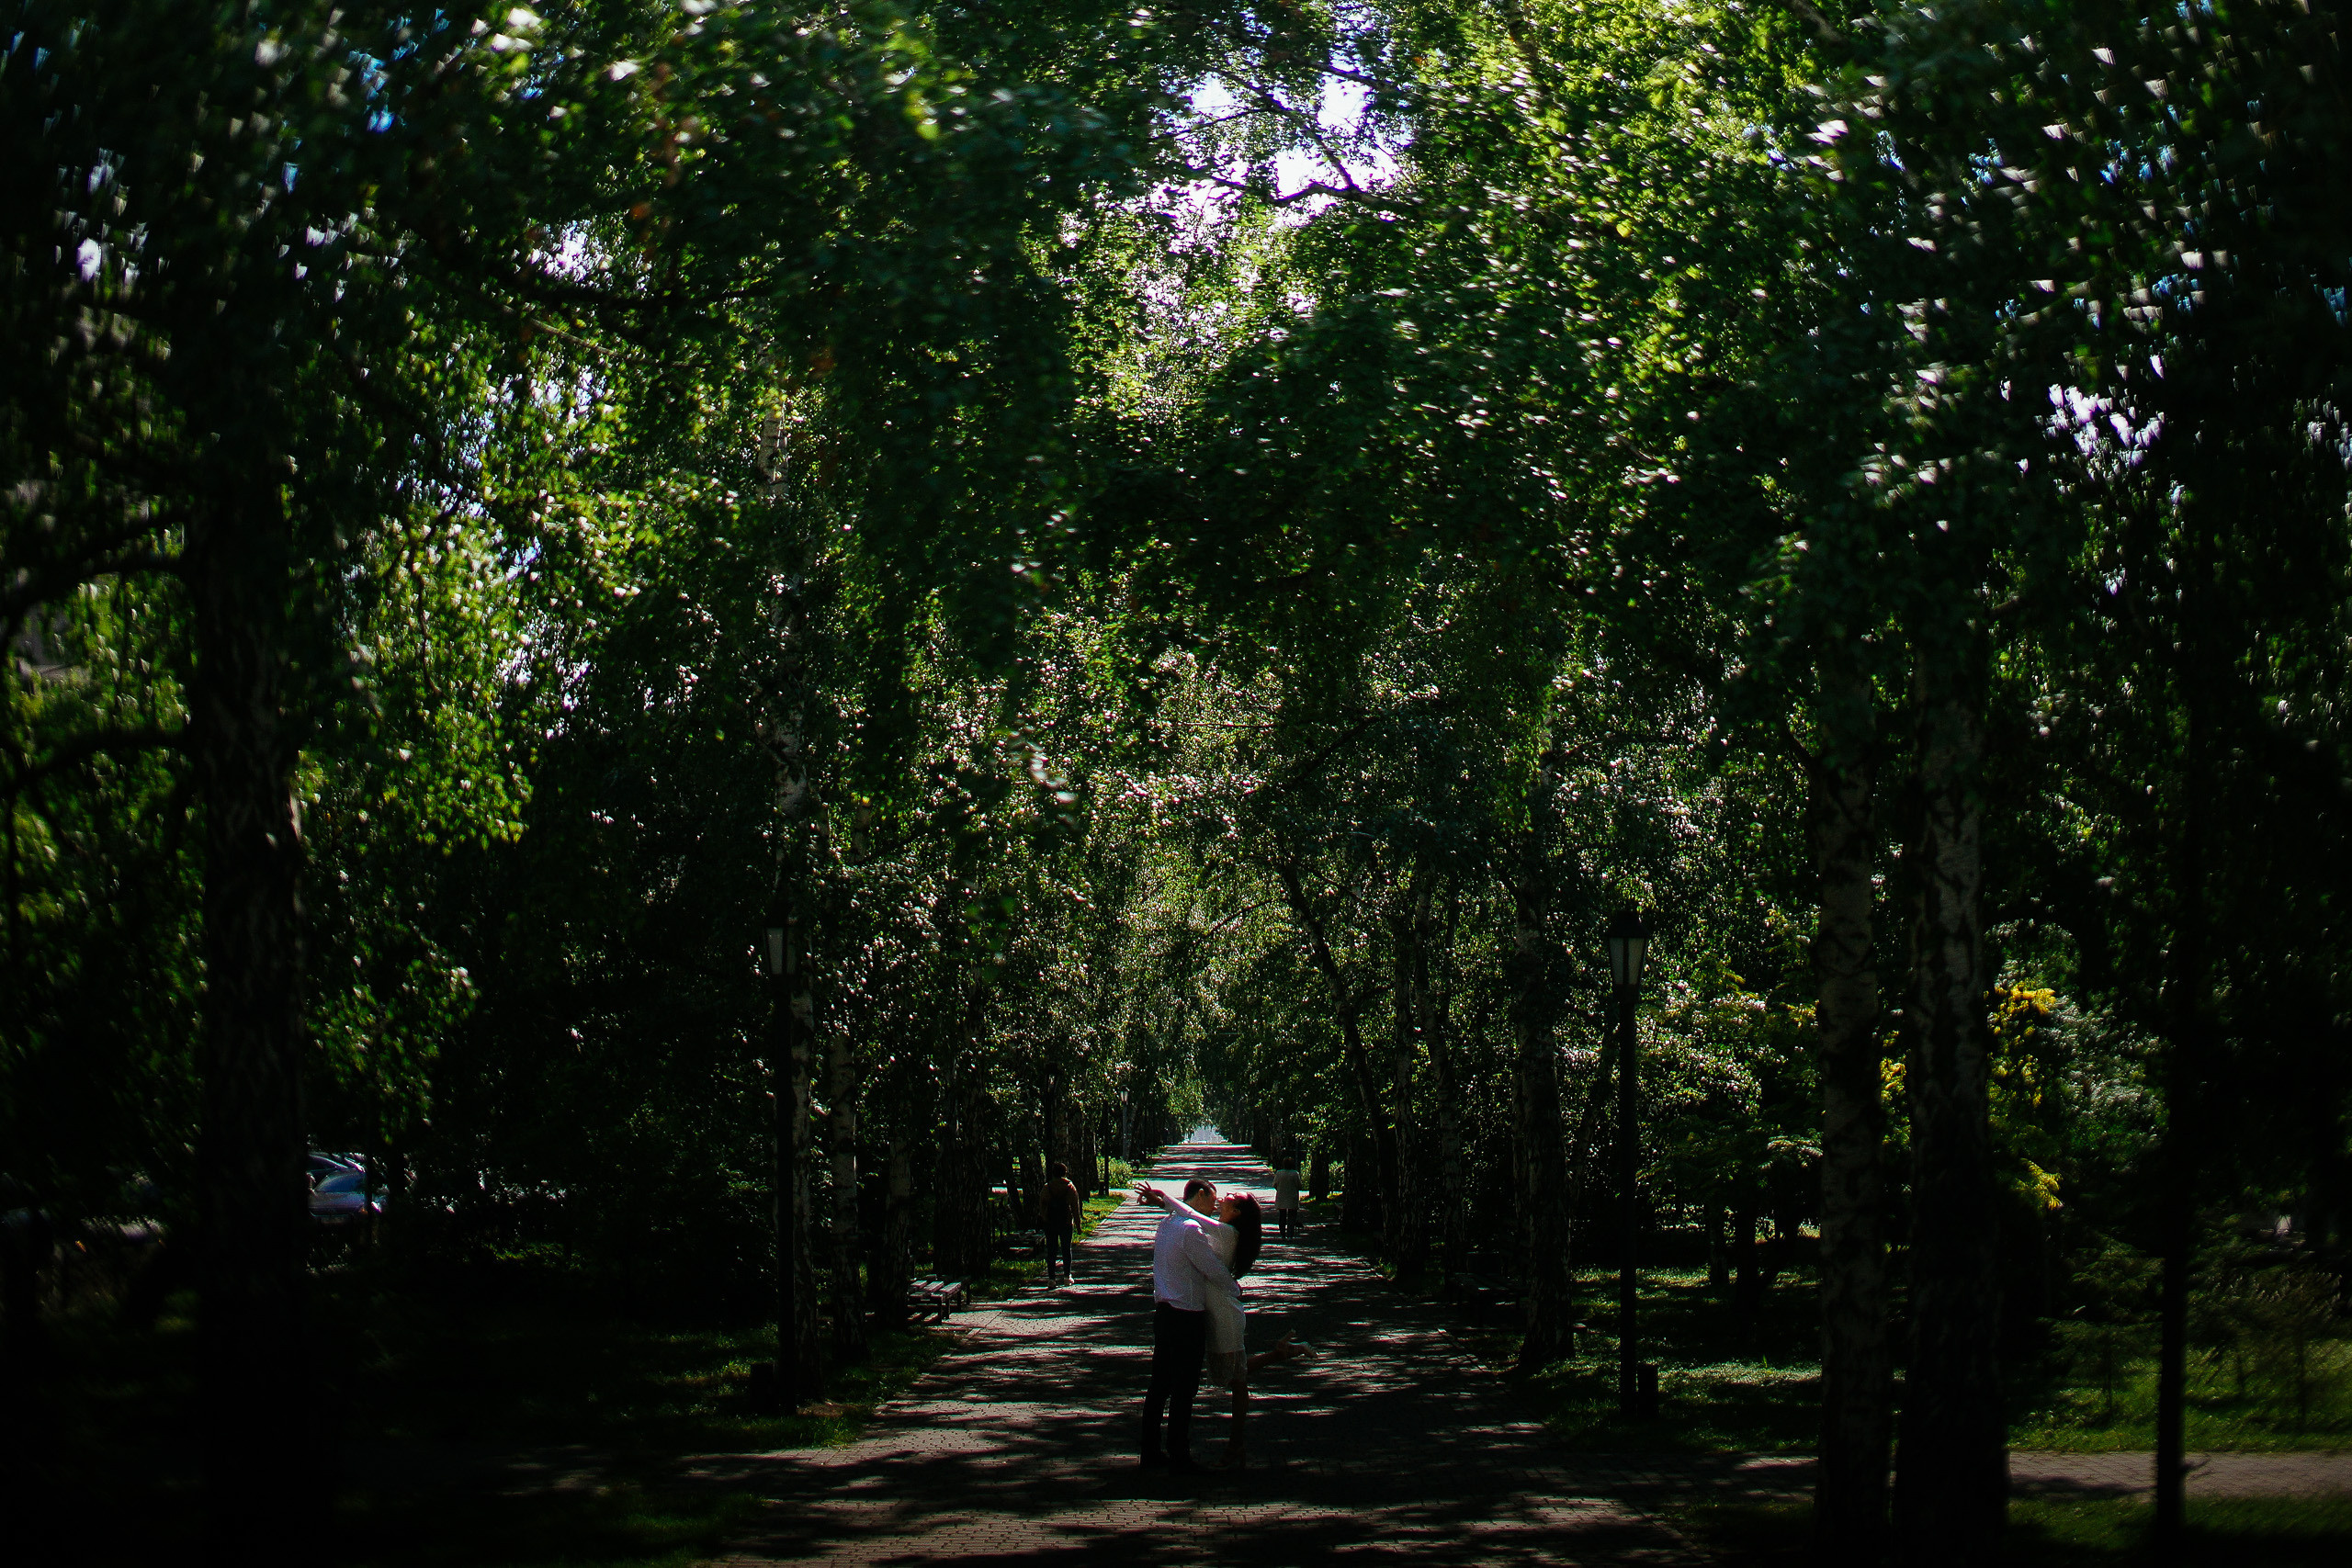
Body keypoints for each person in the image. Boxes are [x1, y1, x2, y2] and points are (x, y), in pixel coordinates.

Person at [1137, 1177, 1236, 1475]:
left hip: (1164, 1312)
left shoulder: (1167, 1224)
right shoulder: (1191, 1230)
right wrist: (1234, 1289)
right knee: (1184, 1388)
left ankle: (1150, 1451)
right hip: (1187, 1316)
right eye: (1213, 1199)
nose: (1215, 1206)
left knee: (1159, 1385)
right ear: (1200, 1194)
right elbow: (1212, 1269)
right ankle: (1179, 1452)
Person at [1046, 1161, 1082, 1283]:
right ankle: (1067, 1276)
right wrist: (1078, 1225)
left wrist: (1045, 1219)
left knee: (1051, 1250)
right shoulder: (1070, 1187)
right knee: (1066, 1249)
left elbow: (1042, 1205)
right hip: (1066, 1222)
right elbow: (1075, 1208)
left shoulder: (1047, 1187)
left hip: (1050, 1222)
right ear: (1065, 1173)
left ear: (1053, 1173)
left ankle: (1051, 1279)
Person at [1270, 1166, 1303, 1240]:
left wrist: (1280, 1189)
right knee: (1292, 1217)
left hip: (1282, 1197)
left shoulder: (1279, 1173)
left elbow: (1274, 1184)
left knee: (1282, 1216)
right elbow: (1299, 1186)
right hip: (1292, 1197)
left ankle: (1283, 1235)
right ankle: (1290, 1235)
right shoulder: (1295, 1174)